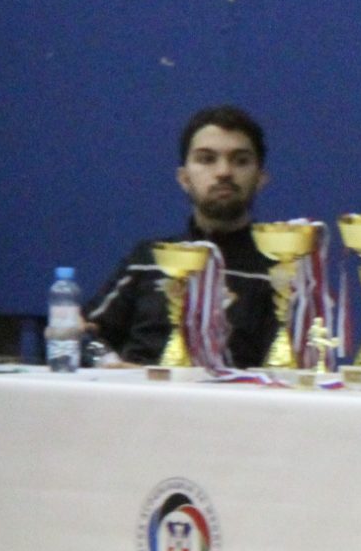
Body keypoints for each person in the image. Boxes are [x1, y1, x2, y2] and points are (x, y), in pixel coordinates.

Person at [85, 105, 278, 369]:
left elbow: (282, 374)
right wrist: (108, 362)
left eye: (240, 160)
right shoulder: (148, 259)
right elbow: (82, 333)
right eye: (207, 159)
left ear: (261, 178)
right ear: (184, 178)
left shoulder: (280, 272)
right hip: (135, 392)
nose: (224, 171)